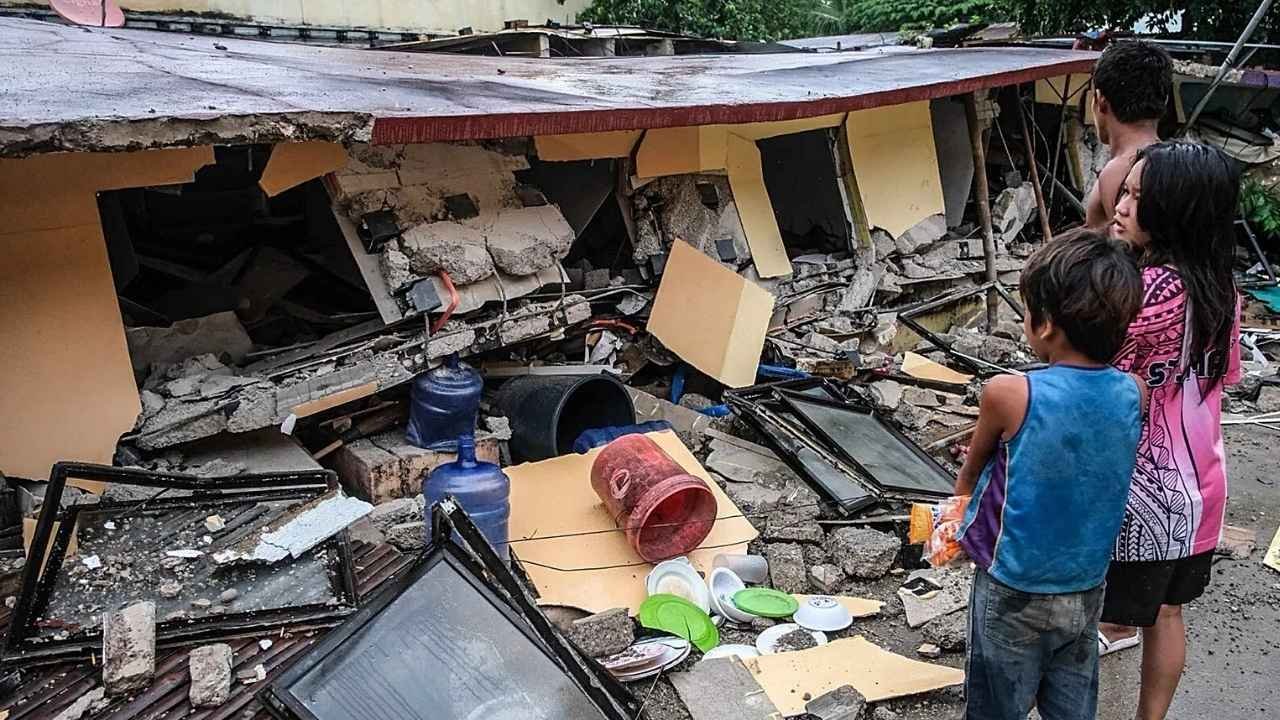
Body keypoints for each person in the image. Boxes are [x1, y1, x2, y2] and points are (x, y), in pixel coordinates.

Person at [956, 231, 1147, 720]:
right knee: (1071, 704)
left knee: (996, 705)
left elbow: (972, 473)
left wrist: (952, 527)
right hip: (1085, 584)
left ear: (1044, 325)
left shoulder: (1008, 392)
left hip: (1013, 587)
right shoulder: (1134, 392)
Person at [1099, 141, 1243, 720]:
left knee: (1081, 610)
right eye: (1125, 191)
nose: (1121, 206)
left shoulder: (1145, 291)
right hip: (1202, 483)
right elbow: (1224, 376)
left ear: (1176, 211)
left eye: (1138, 198)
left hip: (1139, 489)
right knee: (1167, 614)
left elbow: (1097, 378)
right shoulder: (1222, 288)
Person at [1085, 41, 1173, 228]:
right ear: (1165, 100)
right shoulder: (1178, 167)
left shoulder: (1120, 172)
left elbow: (1126, 245)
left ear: (1100, 101)